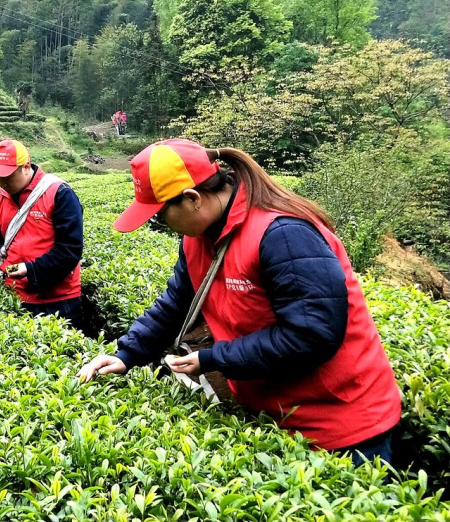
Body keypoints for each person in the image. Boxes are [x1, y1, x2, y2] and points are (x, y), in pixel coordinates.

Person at [77, 139, 401, 466]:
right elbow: (176, 302)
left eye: (160, 216)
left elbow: (311, 335)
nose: (162, 226)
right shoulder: (198, 239)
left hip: (339, 424)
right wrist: (126, 355)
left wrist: (214, 358)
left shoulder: (283, 234)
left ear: (192, 199)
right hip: (273, 414)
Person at [0, 139, 84, 328]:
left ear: (26, 167)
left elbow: (70, 251)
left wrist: (31, 269)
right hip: (15, 298)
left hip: (59, 301)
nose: (1, 182)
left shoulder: (59, 193)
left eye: (7, 176)